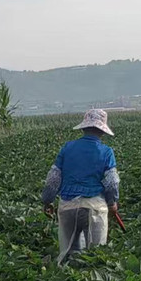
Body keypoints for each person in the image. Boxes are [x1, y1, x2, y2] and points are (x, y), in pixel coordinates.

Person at [42, 108, 121, 265]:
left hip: (67, 207)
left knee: (68, 254)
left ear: (84, 128)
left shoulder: (68, 148)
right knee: (95, 257)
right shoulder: (106, 152)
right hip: (94, 208)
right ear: (102, 132)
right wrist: (112, 203)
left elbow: (53, 178)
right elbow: (111, 182)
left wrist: (47, 201)